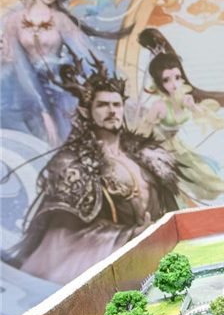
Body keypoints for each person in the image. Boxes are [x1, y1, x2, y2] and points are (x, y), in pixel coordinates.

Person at [2, 62, 180, 284]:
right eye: (103, 105)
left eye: (116, 104)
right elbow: (60, 242)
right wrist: (129, 235)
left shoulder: (150, 157)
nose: (112, 111)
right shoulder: (73, 165)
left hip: (163, 256)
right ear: (86, 111)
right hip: (118, 270)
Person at [1, 0, 126, 145]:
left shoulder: (60, 20)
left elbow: (85, 52)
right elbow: (13, 60)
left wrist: (102, 80)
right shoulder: (15, 20)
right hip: (23, 86)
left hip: (57, 85)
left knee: (65, 135)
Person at [136, 28, 224, 202]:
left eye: (177, 77)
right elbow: (143, 130)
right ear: (159, 82)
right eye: (167, 80)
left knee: (201, 171)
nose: (174, 84)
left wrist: (194, 107)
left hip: (178, 146)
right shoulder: (159, 106)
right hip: (161, 148)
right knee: (177, 182)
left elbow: (203, 116)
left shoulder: (184, 99)